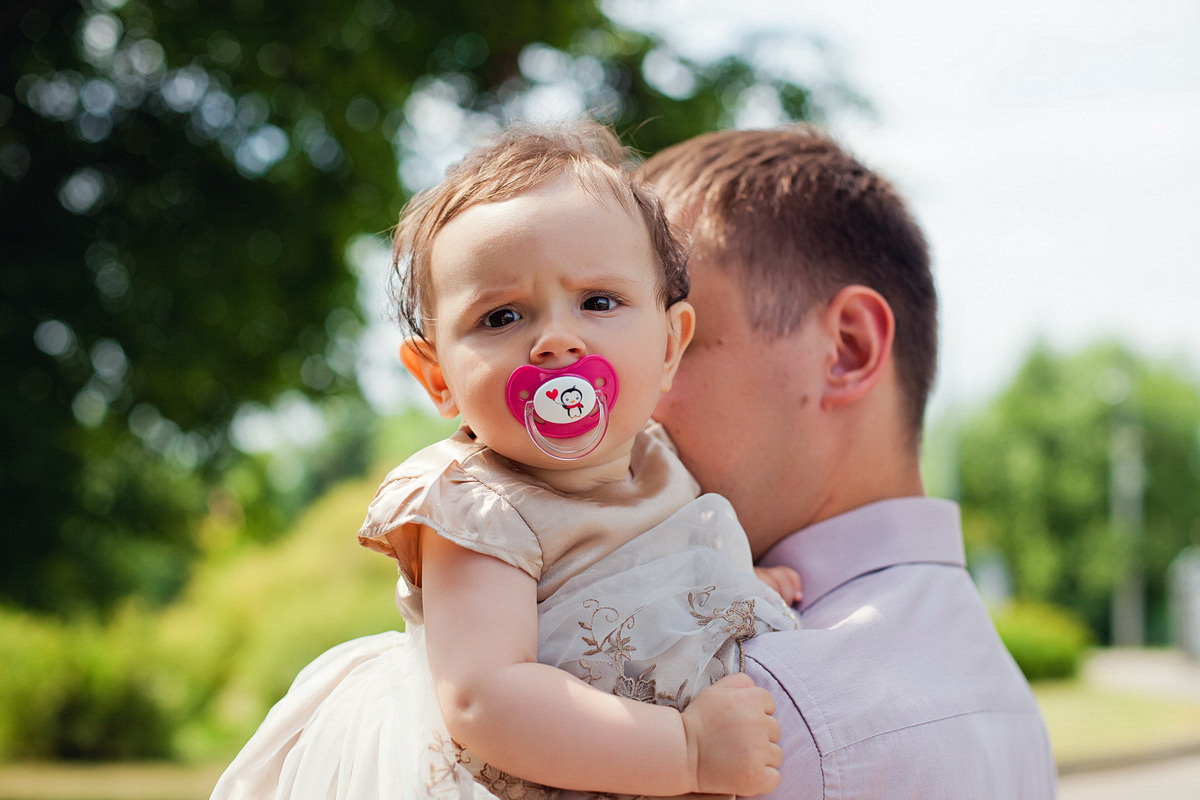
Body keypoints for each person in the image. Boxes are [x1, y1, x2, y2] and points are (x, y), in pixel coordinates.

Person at [209, 123, 801, 800]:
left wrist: (728, 588)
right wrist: (687, 751)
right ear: (438, 378)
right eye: (501, 317)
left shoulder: (661, 459)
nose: (557, 341)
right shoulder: (479, 509)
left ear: (669, 346)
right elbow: (486, 698)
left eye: (598, 302)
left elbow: (647, 578)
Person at [639, 126, 1058, 799]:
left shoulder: (742, 710)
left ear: (848, 349)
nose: (620, 405)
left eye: (671, 343)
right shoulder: (1009, 702)